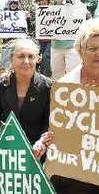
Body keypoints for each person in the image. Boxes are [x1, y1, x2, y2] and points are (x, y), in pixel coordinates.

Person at [0, 39, 53, 160]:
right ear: (11, 59)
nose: (26, 61)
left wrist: (42, 142)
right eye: (21, 56)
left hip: (35, 149)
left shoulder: (47, 87)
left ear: (38, 59)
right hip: (7, 146)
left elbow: (48, 123)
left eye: (31, 56)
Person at [50, 19, 99, 193]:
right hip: (73, 167)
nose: (97, 54)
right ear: (80, 51)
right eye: (92, 49)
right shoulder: (65, 86)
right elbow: (59, 133)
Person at [49, 0, 81, 80]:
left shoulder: (73, 2)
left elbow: (85, 14)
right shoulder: (49, 8)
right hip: (55, 46)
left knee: (73, 73)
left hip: (71, 46)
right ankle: (59, 94)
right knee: (56, 73)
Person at [35, 0, 52, 77]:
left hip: (50, 40)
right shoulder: (37, 11)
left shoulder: (55, 10)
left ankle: (47, 78)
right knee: (37, 58)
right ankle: (39, 76)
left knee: (46, 57)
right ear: (39, 1)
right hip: (40, 40)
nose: (44, 1)